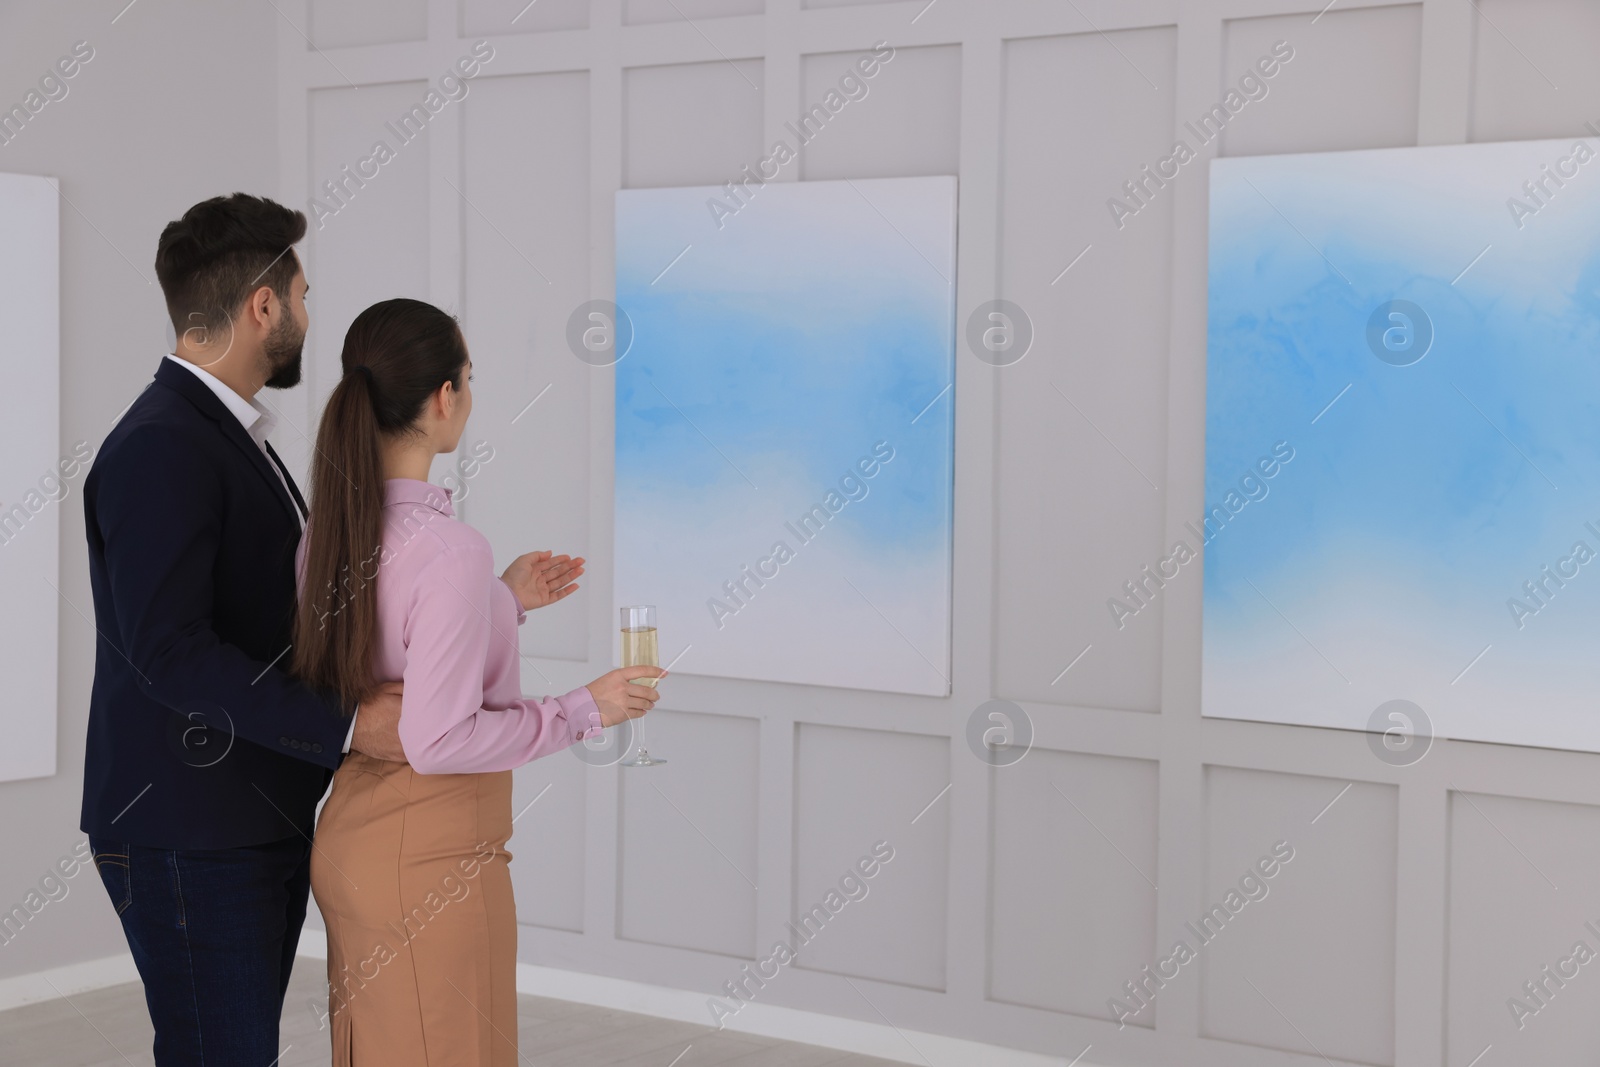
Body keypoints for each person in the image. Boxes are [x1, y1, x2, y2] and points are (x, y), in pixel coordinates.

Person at [290, 297, 664, 1066]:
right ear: (444, 398)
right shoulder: (448, 550)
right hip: (433, 854)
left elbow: (391, 647)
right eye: (469, 375)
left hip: (355, 841)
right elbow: (440, 735)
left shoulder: (327, 534)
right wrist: (581, 708)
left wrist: (500, 599)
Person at [81, 193, 407, 1066]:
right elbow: (170, 653)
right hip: (193, 830)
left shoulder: (219, 433)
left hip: (234, 822)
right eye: (302, 295)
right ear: (263, 306)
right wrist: (344, 725)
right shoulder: (164, 444)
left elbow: (261, 616)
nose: (306, 313)